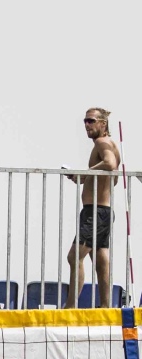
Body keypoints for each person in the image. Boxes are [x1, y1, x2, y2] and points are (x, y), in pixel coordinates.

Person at [67, 107, 122, 308]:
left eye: (91, 121)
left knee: (74, 256)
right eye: (85, 121)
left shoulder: (102, 142)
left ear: (103, 123)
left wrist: (85, 171)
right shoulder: (109, 144)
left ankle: (70, 307)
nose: (87, 125)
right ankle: (106, 307)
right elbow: (110, 177)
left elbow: (110, 164)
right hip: (102, 211)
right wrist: (83, 178)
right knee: (101, 261)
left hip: (95, 212)